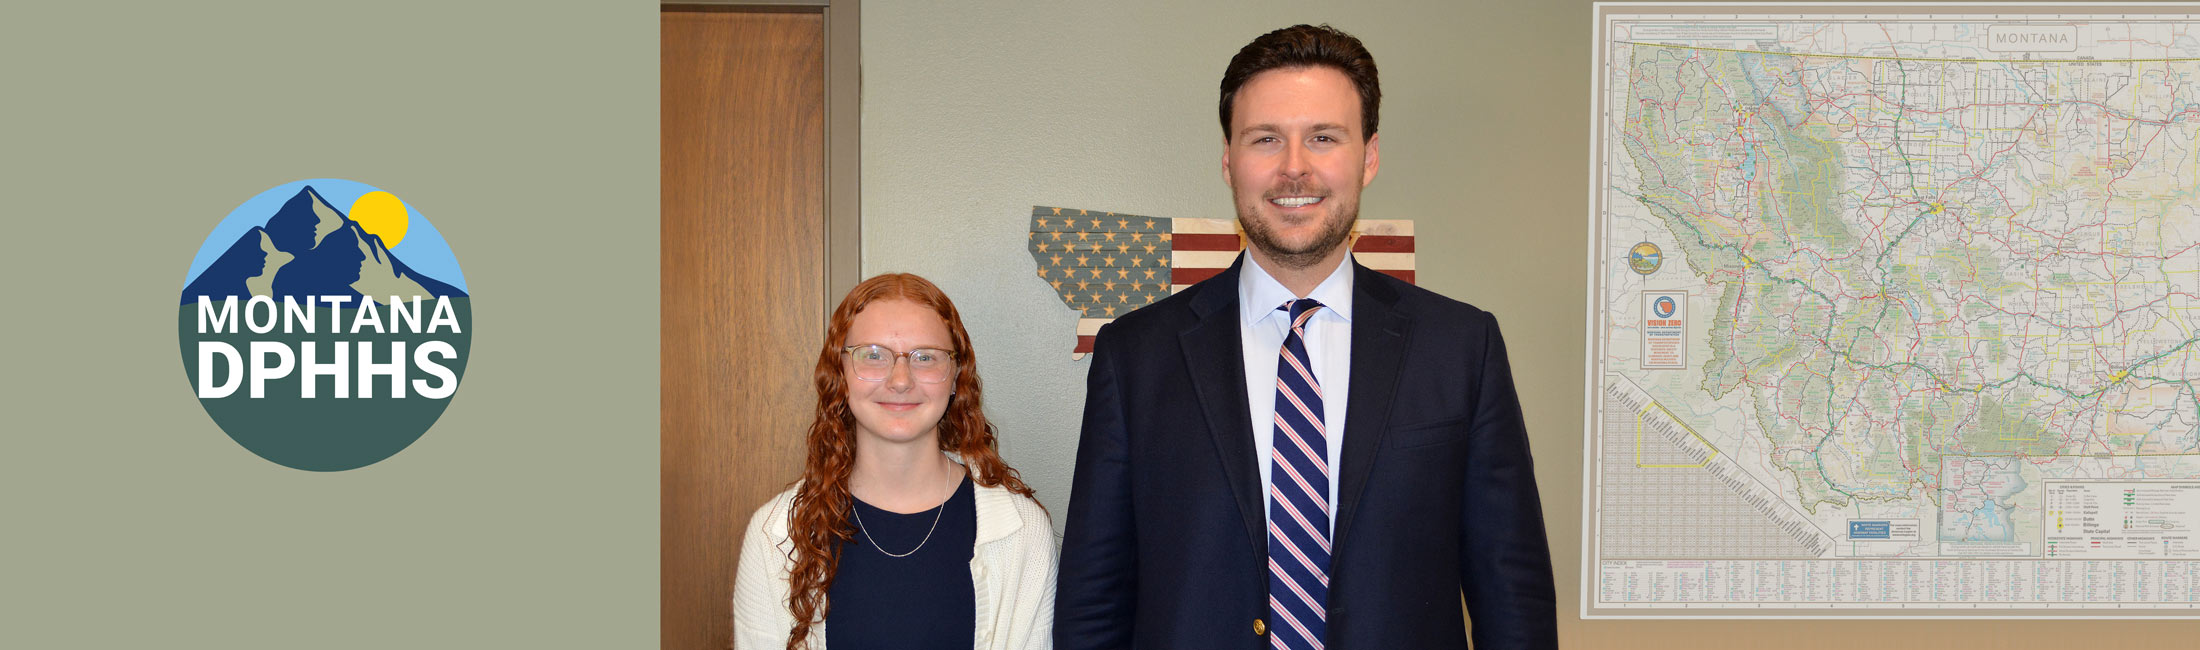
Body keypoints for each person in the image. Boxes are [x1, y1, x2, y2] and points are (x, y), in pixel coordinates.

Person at [1055, 24, 1557, 649]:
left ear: (1369, 156)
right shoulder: (1135, 356)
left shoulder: (1461, 348)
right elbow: (1092, 602)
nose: (1295, 167)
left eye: (1323, 137)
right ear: (1229, 160)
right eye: (1266, 139)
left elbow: (1513, 598)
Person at [735, 273, 1056, 650]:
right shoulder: (776, 535)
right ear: (840, 374)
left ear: (956, 376)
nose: (901, 379)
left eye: (925, 357)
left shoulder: (1021, 532)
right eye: (873, 355)